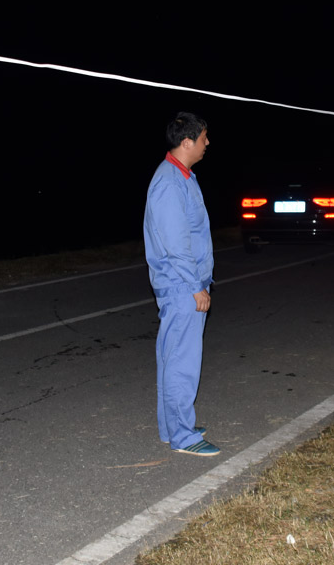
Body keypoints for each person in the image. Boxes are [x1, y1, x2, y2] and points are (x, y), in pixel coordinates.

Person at [143, 112, 219, 456]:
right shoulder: (169, 183)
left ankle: (171, 427)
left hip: (183, 283)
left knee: (172, 358)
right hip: (181, 286)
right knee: (182, 364)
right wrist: (194, 285)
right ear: (187, 142)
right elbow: (176, 243)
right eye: (203, 138)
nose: (207, 143)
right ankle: (183, 437)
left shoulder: (182, 176)